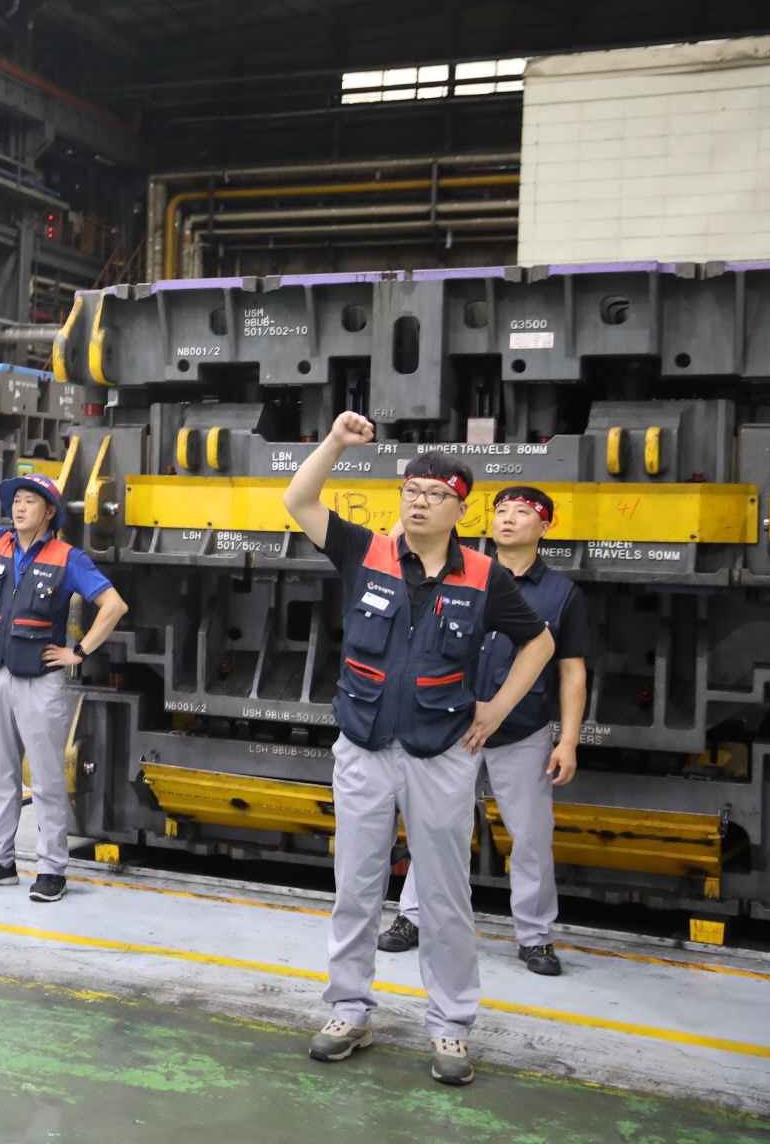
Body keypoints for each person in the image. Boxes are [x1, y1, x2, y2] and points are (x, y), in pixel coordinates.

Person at [285, 412, 553, 1087]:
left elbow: (541, 642)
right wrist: (336, 443)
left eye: (435, 493)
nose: (419, 501)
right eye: (410, 490)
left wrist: (497, 708)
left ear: (461, 509)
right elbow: (298, 499)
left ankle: (451, 1025)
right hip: (364, 746)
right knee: (355, 887)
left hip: (441, 753)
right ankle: (349, 1011)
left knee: (443, 896)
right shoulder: (365, 551)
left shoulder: (485, 576)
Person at [381, 486, 591, 977]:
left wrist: (568, 740)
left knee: (531, 837)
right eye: (501, 512)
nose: (508, 520)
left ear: (545, 527)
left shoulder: (562, 594)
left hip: (522, 733)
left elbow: (572, 672)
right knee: (436, 827)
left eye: (522, 513)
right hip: (454, 729)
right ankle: (413, 917)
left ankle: (535, 938)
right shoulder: (463, 574)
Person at [0, 442, 126, 902]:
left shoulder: (68, 557)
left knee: (45, 778)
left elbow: (113, 605)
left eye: (29, 502)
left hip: (39, 682)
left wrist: (78, 651)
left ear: (49, 513)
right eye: (16, 501)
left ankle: (51, 869)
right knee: (0, 774)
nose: (19, 508)